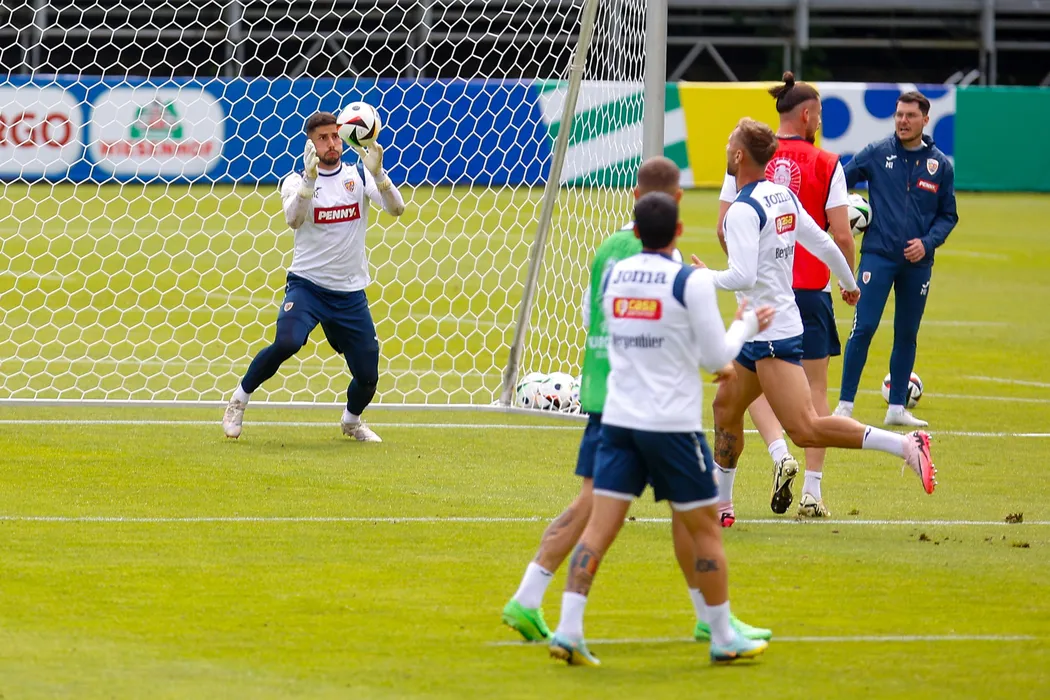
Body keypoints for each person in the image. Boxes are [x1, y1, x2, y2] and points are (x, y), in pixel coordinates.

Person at [503, 157, 771, 648]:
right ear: (679, 206)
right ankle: (531, 596)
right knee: (651, 512)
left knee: (616, 514)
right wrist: (734, 334)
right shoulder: (674, 266)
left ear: (633, 197)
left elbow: (594, 320)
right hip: (648, 405)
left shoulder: (610, 251)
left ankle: (696, 619)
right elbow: (697, 343)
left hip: (610, 393)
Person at [702, 119, 936, 517]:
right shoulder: (782, 196)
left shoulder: (742, 210)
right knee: (725, 407)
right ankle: (721, 505)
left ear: (739, 156)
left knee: (806, 428)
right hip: (761, 329)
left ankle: (906, 446)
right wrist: (850, 283)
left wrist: (699, 276)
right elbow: (826, 245)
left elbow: (743, 276)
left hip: (771, 335)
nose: (726, 148)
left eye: (729, 143)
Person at [714, 72, 855, 522]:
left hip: (761, 297)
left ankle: (778, 453)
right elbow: (838, 235)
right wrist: (848, 281)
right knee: (813, 393)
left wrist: (743, 269)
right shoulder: (827, 162)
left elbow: (723, 227)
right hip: (809, 292)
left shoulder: (748, 158)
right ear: (808, 114)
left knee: (749, 385)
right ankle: (812, 491)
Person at [222, 111, 405, 440]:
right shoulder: (295, 181)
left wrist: (379, 174)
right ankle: (239, 400)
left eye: (335, 136)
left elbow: (397, 209)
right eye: (323, 138)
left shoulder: (359, 175)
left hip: (349, 293)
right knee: (287, 341)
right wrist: (309, 181)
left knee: (368, 377)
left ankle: (351, 421)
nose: (331, 143)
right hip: (307, 286)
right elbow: (293, 219)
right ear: (311, 144)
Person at [833, 91, 959, 428]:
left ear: (925, 120)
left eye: (910, 116)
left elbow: (948, 215)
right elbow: (838, 182)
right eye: (899, 114)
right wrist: (843, 213)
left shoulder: (939, 166)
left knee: (907, 332)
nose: (903, 121)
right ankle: (845, 405)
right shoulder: (877, 153)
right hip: (878, 256)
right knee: (864, 327)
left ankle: (897, 408)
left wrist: (927, 243)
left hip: (918, 264)